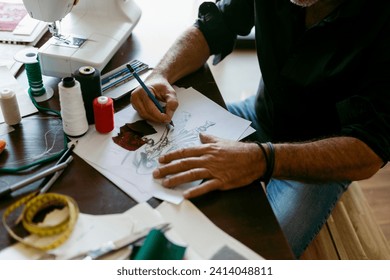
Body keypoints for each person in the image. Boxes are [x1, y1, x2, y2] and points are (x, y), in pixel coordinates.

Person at [130, 0, 390, 258]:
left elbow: (370, 148)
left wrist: (261, 159)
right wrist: (160, 74)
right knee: (152, 175)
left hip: (324, 152)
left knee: (254, 254)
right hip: (260, 115)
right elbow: (213, 26)